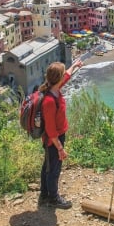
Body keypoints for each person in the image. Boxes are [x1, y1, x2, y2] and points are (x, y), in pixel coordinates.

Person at [38, 59, 83, 209]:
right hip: (54, 140)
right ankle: (53, 198)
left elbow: (67, 76)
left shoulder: (54, 89)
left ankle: (44, 194)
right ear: (58, 78)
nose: (65, 75)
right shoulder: (50, 101)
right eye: (62, 74)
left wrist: (74, 66)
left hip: (55, 138)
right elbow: (51, 131)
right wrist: (60, 148)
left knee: (48, 166)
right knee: (53, 169)